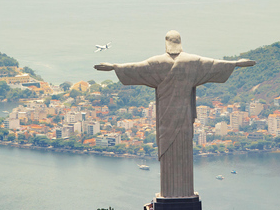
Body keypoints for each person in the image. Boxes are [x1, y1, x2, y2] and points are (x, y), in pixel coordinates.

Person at [96, 31, 254, 198]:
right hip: (185, 116)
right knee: (183, 150)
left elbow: (136, 68)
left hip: (165, 117)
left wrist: (114, 66)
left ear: (166, 43)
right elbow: (215, 65)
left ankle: (170, 193)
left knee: (170, 150)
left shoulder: (157, 63)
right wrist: (236, 63)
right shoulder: (193, 62)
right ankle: (184, 193)